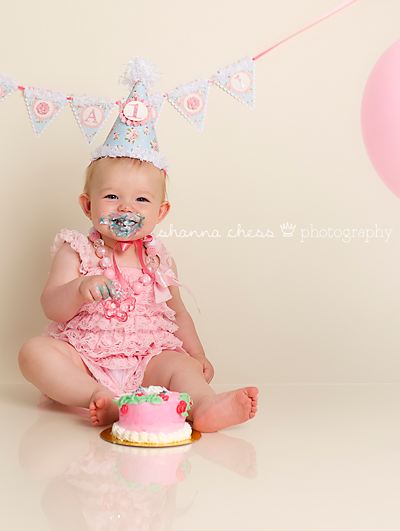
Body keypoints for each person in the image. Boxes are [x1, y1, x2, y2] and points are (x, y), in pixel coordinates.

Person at [18, 59, 257, 432]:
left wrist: (197, 355)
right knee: (33, 353)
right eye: (112, 196)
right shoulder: (76, 250)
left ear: (160, 212)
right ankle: (98, 398)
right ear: (88, 205)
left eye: (141, 200)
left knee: (181, 366)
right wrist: (78, 289)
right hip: (85, 359)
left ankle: (205, 405)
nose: (126, 208)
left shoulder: (158, 259)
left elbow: (178, 313)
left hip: (148, 363)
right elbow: (51, 306)